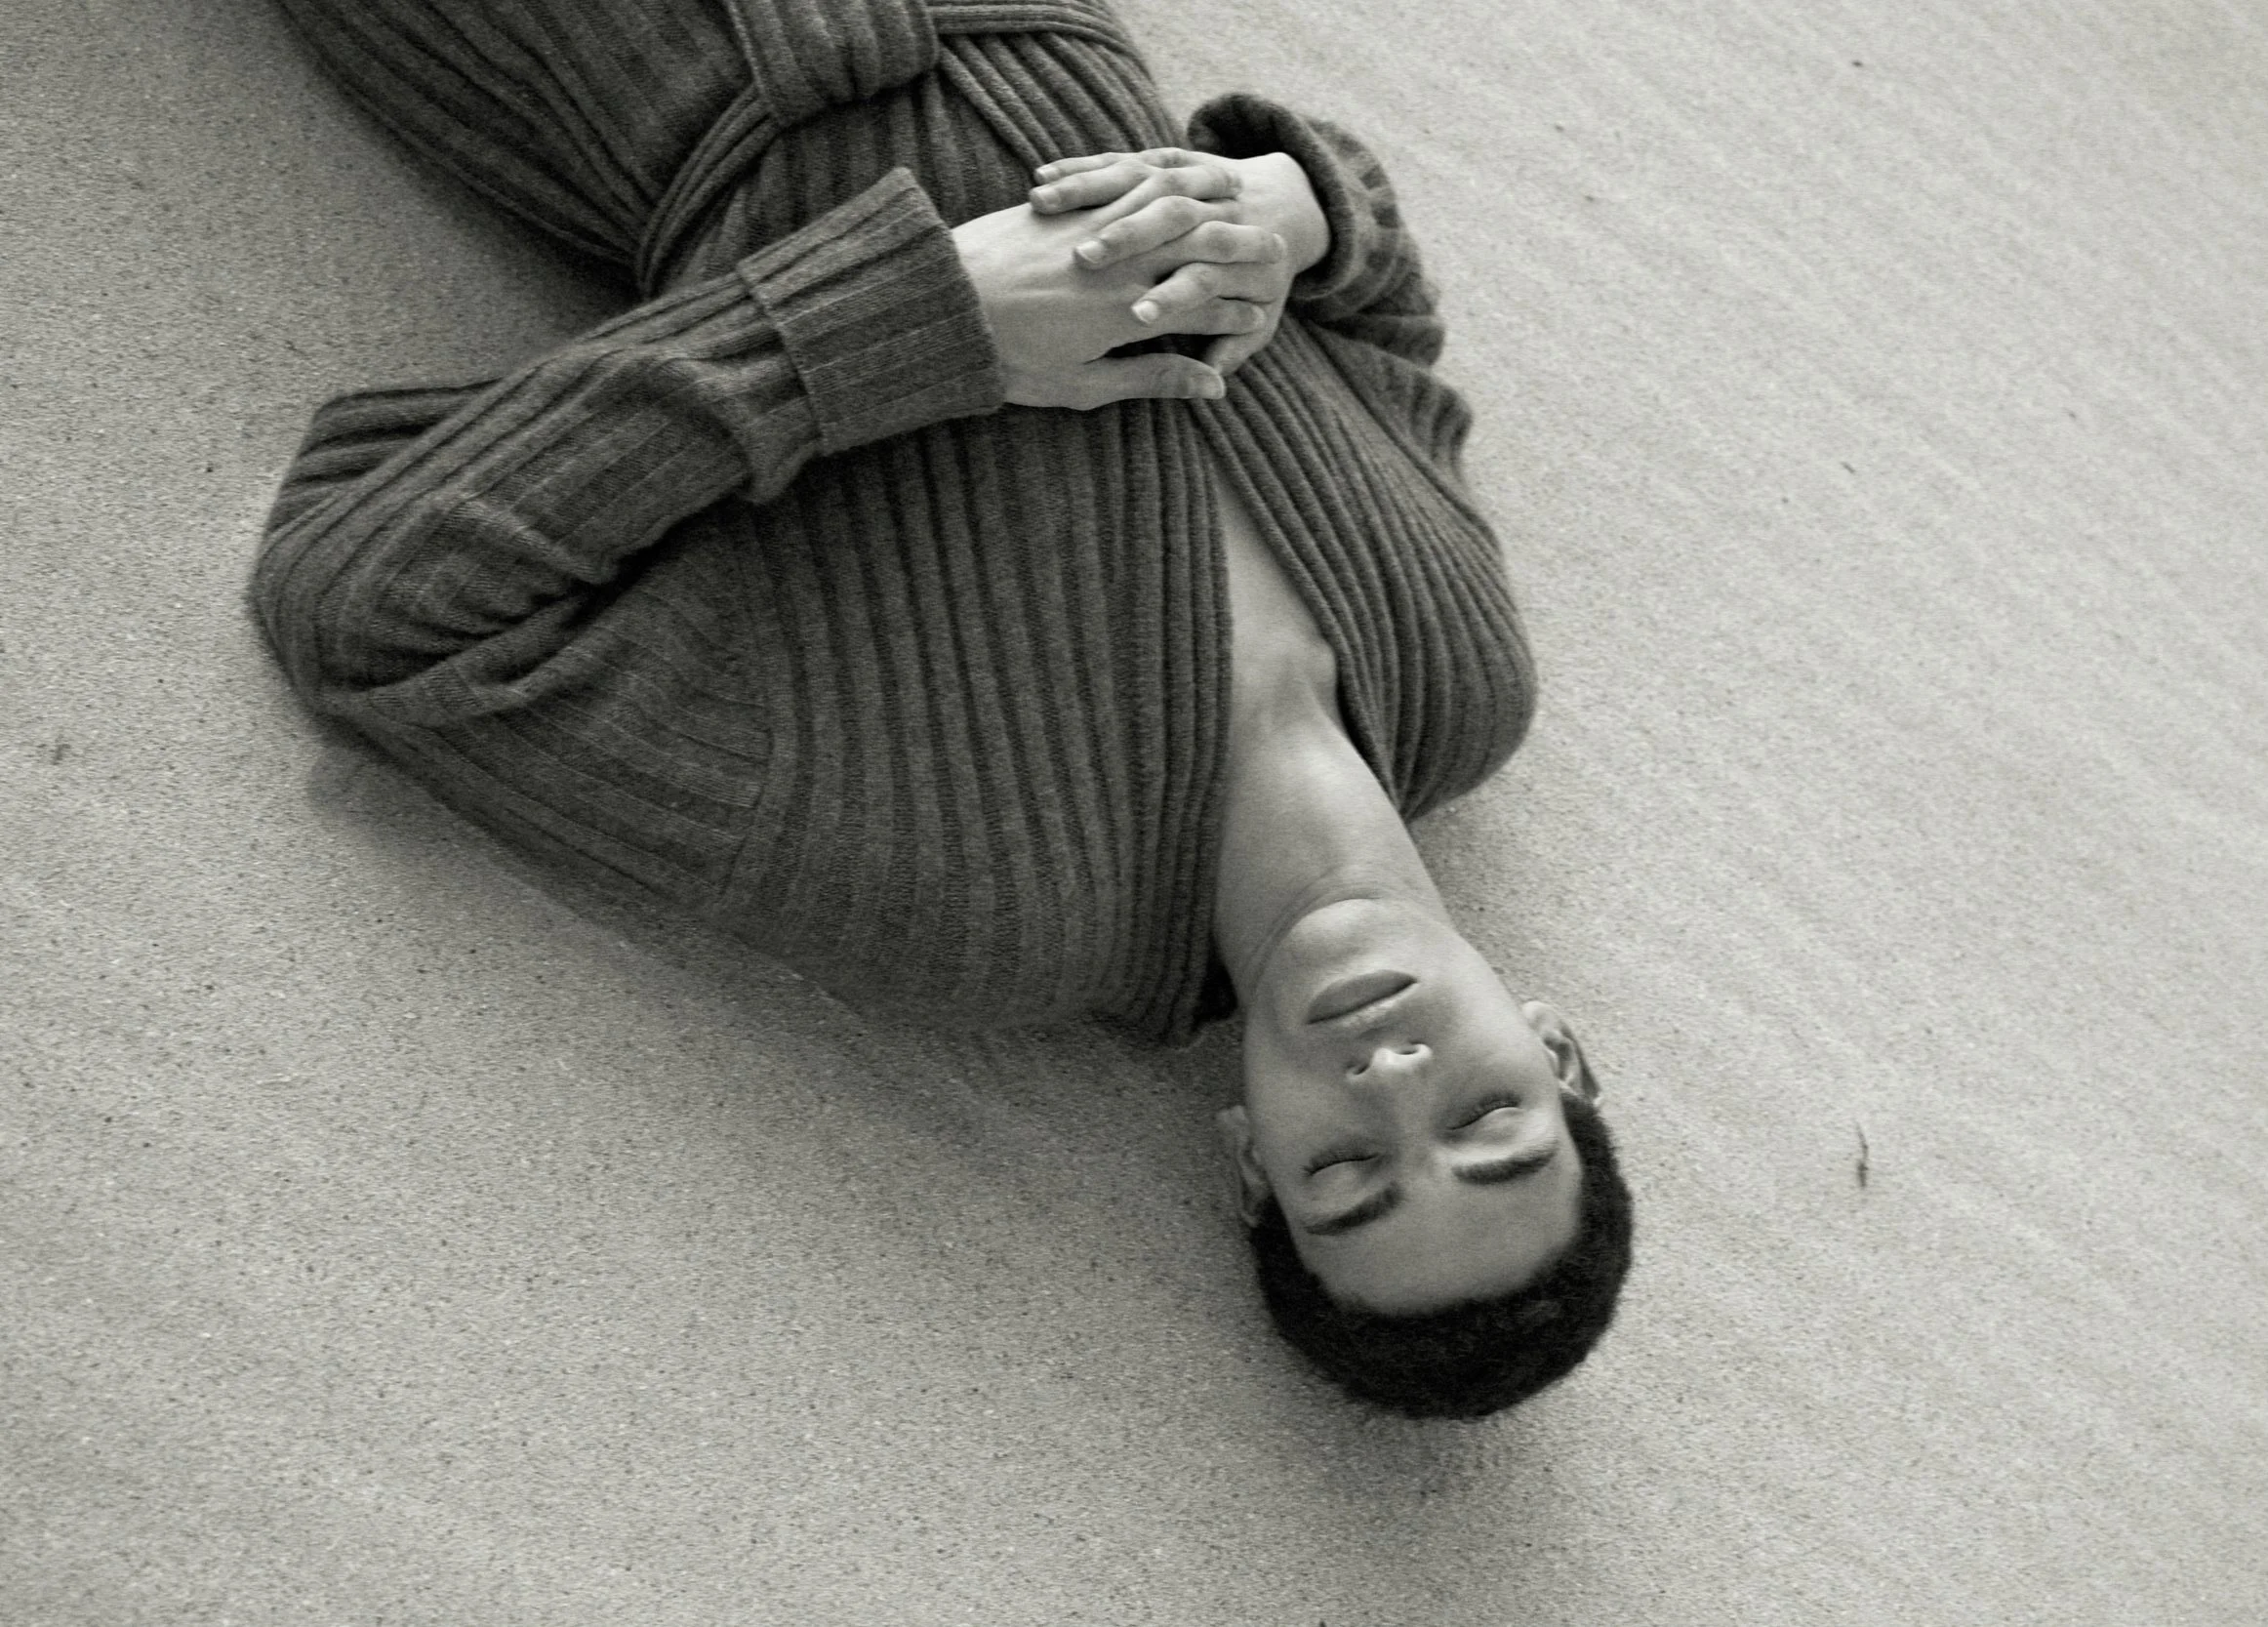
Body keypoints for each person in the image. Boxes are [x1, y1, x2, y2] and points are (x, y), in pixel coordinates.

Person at [253, 0, 1632, 1416]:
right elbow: (1381, 309)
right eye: (1487, 1117)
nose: (1388, 1073)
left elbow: (374, 607)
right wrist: (1293, 210)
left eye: (1345, 1172)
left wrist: (926, 315)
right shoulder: (1471, 680)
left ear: (1248, 1164)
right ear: (1557, 1051)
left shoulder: (981, 904)